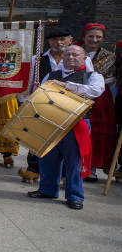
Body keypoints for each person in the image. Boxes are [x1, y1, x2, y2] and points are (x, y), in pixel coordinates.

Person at [28, 45, 104, 210]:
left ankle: (75, 196)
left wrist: (66, 86)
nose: (70, 57)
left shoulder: (93, 76)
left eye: (75, 54)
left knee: (73, 162)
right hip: (52, 121)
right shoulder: (52, 75)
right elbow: (42, 94)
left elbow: (95, 91)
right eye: (67, 54)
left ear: (84, 58)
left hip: (76, 124)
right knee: (48, 158)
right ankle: (47, 190)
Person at [19, 26, 83, 182]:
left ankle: (65, 175)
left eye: (62, 39)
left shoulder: (81, 59)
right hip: (41, 104)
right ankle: (34, 169)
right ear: (48, 41)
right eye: (54, 39)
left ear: (70, 40)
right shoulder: (37, 59)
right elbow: (28, 80)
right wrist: (23, 101)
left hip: (68, 107)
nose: (58, 42)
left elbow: (86, 82)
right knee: (37, 137)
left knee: (67, 144)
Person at [81, 23, 116, 181]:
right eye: (91, 36)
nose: (94, 40)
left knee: (96, 133)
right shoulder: (75, 51)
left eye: (98, 37)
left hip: (100, 98)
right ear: (84, 36)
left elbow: (108, 77)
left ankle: (92, 168)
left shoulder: (109, 56)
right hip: (77, 92)